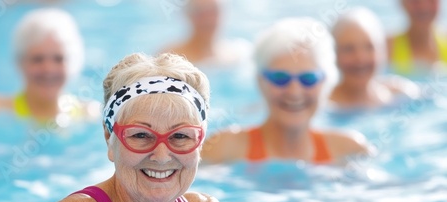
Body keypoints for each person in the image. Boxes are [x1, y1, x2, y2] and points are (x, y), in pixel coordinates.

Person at [0, 53, 228, 202]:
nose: (162, 156)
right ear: (109, 137)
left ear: (200, 141)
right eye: (141, 135)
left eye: (180, 136)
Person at [201, 17, 370, 164]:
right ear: (261, 81)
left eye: (308, 79)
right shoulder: (222, 150)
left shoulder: (350, 151)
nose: (294, 91)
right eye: (280, 78)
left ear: (325, 83)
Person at [0, 8, 97, 127]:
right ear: (21, 63)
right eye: (37, 59)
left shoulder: (89, 114)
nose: (49, 69)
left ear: (73, 63)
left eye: (58, 59)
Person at [330, 7, 420, 110]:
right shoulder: (325, 104)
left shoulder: (400, 93)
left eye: (369, 47)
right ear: (334, 55)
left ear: (382, 51)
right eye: (349, 49)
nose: (360, 58)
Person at [160, 0, 251, 68]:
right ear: (188, 15)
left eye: (213, 11)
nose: (208, 20)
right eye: (200, 12)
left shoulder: (239, 52)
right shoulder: (170, 58)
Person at [387, 0, 447, 76]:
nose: (424, 7)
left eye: (431, 0)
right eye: (415, 1)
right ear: (402, 3)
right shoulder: (386, 49)